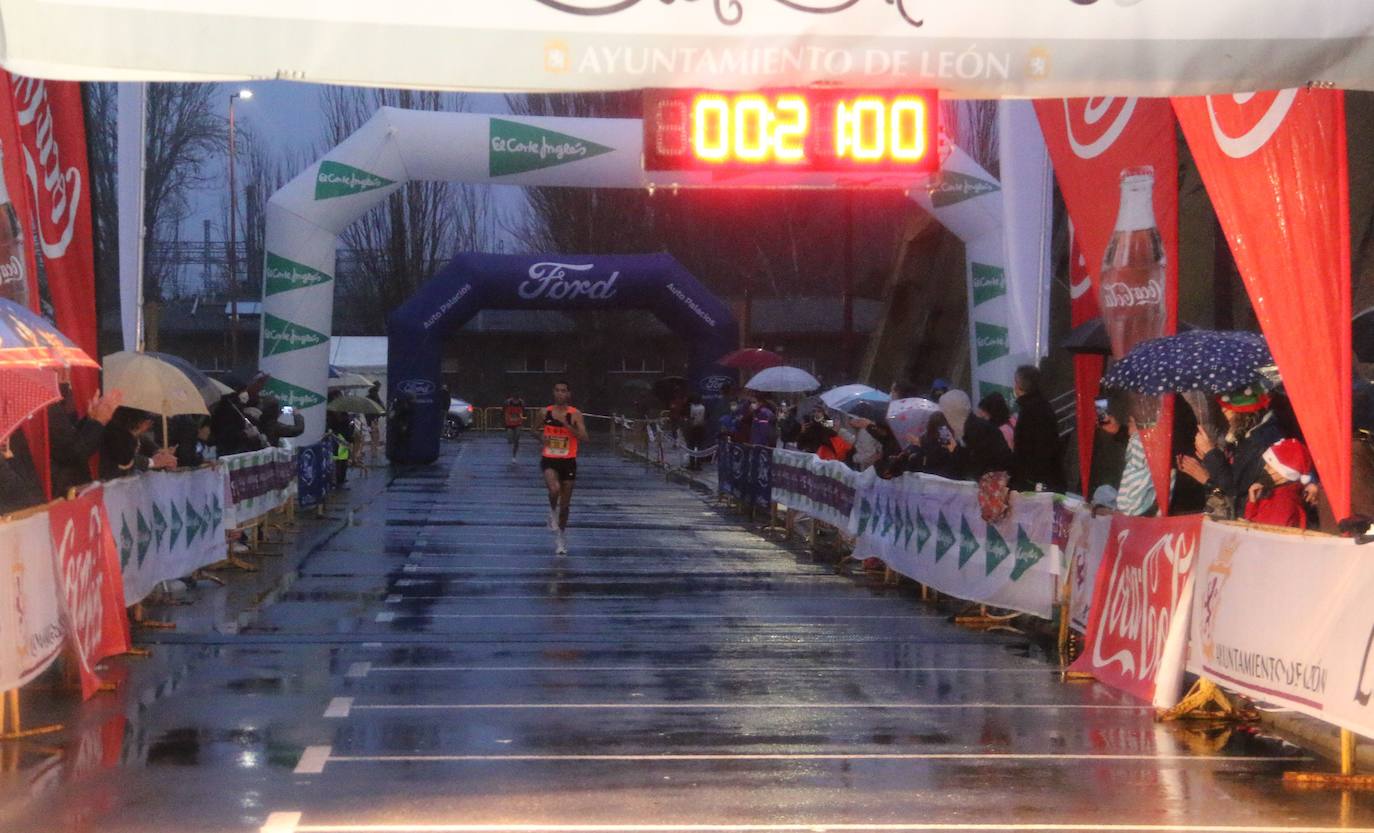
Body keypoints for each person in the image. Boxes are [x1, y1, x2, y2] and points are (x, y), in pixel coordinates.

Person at [539, 381, 589, 556]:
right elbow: (533, 430)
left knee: (566, 505)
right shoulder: (545, 412)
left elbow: (584, 437)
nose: (560, 394)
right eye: (557, 390)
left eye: (564, 391)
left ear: (568, 394)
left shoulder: (574, 414)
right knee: (554, 489)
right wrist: (541, 438)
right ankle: (552, 512)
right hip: (549, 458)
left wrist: (567, 426)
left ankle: (561, 538)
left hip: (568, 460)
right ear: (553, 393)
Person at [49, 387, 121, 496]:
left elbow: (69, 439)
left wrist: (91, 420)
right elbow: (72, 452)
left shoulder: (45, 400)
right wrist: (98, 422)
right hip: (58, 491)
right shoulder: (41, 402)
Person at [1011, 365, 1066, 492]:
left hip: (1035, 481)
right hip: (1048, 476)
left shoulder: (1029, 410)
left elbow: (1026, 448)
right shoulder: (1043, 405)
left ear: (1019, 385)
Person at [1243, 438, 1313, 529]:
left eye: (1270, 465)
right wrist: (1253, 503)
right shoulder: (1275, 493)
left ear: (1284, 473)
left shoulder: (1282, 503)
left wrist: (1252, 507)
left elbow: (1260, 535)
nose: (1265, 468)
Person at [100, 408, 176, 480]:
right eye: (149, 420)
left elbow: (145, 443)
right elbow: (126, 459)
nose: (150, 424)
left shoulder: (135, 434)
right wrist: (153, 462)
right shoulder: (115, 435)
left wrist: (159, 452)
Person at [503, 392, 527, 463]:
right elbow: (503, 411)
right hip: (509, 423)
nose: (515, 400)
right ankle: (512, 440)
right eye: (514, 399)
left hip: (518, 423)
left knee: (517, 439)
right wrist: (504, 422)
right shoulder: (507, 402)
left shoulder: (522, 402)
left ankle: (514, 456)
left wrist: (523, 419)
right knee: (510, 440)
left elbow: (524, 412)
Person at [686, 395, 707, 470]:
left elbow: (691, 418)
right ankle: (698, 464)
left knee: (691, 446)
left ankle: (692, 464)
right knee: (700, 446)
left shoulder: (692, 407)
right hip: (701, 428)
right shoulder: (703, 407)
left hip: (693, 428)